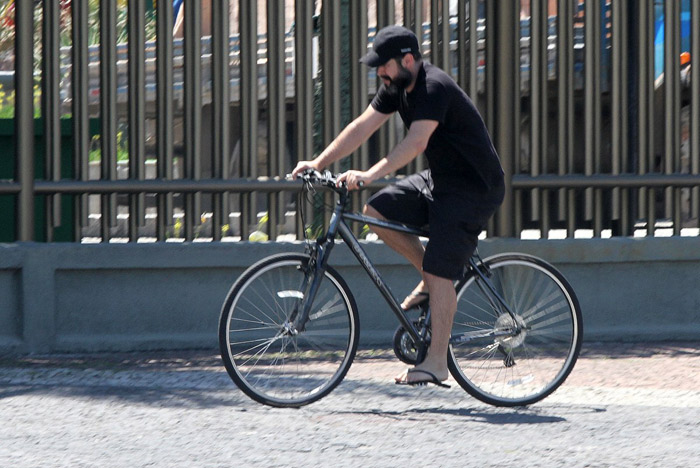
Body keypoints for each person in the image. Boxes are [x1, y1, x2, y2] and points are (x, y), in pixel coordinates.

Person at [291, 25, 505, 387]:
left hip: (473, 188)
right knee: (376, 213)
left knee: (441, 272)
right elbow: (362, 127)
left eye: (384, 65)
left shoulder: (433, 87)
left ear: (407, 60)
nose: (379, 72)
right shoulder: (396, 87)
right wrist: (318, 162)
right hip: (441, 180)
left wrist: (370, 174)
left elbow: (416, 142)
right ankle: (430, 279)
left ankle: (436, 361)